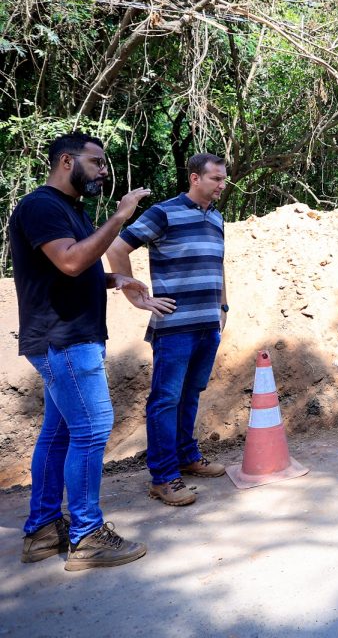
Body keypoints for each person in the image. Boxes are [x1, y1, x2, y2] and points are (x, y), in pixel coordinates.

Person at [11, 133, 152, 571]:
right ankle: (88, 535)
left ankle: (42, 530)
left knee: (59, 432)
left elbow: (67, 271)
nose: (104, 171)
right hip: (64, 339)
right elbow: (71, 261)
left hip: (70, 336)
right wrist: (121, 217)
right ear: (66, 161)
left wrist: (114, 281)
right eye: (97, 162)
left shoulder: (70, 211)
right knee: (92, 427)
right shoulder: (42, 207)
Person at [106, 153, 229, 507]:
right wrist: (136, 296)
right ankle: (163, 477)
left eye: (223, 179)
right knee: (165, 400)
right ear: (195, 178)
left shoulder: (217, 218)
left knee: (191, 394)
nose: (222, 185)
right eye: (216, 179)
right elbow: (117, 245)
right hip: (175, 327)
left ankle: (187, 456)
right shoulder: (164, 212)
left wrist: (223, 307)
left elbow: (218, 266)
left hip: (208, 323)